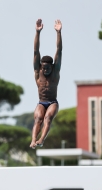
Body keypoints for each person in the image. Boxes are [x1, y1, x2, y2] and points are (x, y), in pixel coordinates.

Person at [30, 19, 62, 149]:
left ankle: (41, 140)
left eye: (48, 68)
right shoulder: (38, 71)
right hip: (41, 101)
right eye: (43, 68)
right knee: (38, 119)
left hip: (53, 102)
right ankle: (33, 140)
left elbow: (59, 50)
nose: (45, 70)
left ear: (52, 67)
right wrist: (37, 32)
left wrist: (58, 33)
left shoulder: (55, 71)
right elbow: (36, 51)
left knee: (48, 118)